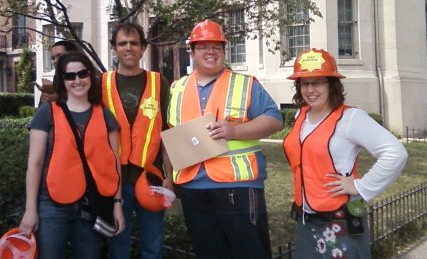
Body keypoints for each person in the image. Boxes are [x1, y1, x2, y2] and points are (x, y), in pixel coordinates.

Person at [167, 19, 284, 259]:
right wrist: (169, 178)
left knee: (249, 253)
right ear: (192, 52)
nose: (210, 52)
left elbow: (274, 120)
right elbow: (171, 135)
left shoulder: (245, 84)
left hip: (236, 187)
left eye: (216, 47)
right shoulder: (176, 88)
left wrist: (233, 131)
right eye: (203, 47)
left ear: (224, 51)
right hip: (192, 188)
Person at [283, 48, 408, 258]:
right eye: (305, 83)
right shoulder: (300, 115)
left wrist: (361, 186)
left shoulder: (350, 118)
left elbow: (395, 153)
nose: (310, 89)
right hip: (306, 220)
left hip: (339, 220)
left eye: (318, 82)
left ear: (331, 85)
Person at [19, 52, 125, 259]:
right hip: (51, 204)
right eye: (70, 76)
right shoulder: (46, 113)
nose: (77, 80)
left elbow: (114, 164)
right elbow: (35, 164)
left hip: (91, 204)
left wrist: (117, 204)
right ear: (62, 80)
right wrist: (30, 209)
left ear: (90, 77)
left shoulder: (105, 115)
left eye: (82, 74)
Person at [102, 22, 171, 259]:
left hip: (150, 179)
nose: (128, 48)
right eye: (122, 43)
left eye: (134, 43)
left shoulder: (158, 82)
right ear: (114, 48)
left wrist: (170, 178)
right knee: (117, 247)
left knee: (153, 247)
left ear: (142, 48)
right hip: (114, 183)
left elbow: (166, 133)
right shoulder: (101, 83)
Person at [35, 40, 79, 105]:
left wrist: (54, 95)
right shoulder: (58, 76)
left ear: (73, 55)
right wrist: (48, 92)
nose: (55, 61)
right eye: (53, 58)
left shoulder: (87, 76)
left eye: (59, 56)